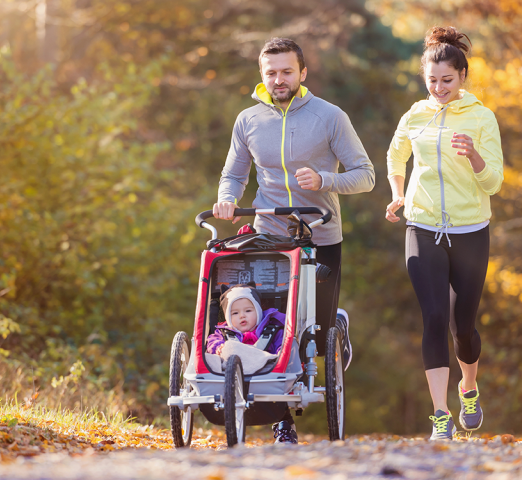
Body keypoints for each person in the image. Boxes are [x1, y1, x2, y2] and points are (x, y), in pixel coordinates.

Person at [212, 37, 375, 442]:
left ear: (303, 73)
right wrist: (227, 199)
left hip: (320, 233)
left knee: (315, 338)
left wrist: (325, 180)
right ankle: (284, 421)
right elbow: (233, 174)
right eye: (271, 73)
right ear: (262, 76)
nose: (278, 79)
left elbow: (365, 174)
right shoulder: (248, 120)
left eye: (287, 71)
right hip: (269, 236)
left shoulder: (329, 117)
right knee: (273, 328)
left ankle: (334, 322)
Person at [385, 26, 504, 440]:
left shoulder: (482, 117)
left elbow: (494, 184)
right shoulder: (414, 114)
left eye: (447, 81)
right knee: (434, 317)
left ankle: (468, 387)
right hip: (422, 225)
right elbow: (395, 154)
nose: (439, 88)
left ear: (463, 77)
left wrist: (473, 155)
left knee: (463, 327)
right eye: (432, 80)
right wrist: (398, 194)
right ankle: (440, 415)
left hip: (471, 231)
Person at [206, 284, 285, 356]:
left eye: (248, 311)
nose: (242, 316)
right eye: (235, 313)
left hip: (268, 369)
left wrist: (280, 352)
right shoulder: (222, 333)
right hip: (233, 368)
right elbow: (212, 341)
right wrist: (219, 347)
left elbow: (282, 345)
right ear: (228, 318)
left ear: (258, 313)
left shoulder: (274, 332)